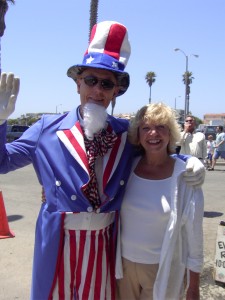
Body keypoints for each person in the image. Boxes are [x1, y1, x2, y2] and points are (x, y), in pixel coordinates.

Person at [0, 21, 205, 300]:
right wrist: (0, 122)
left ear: (115, 92)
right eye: (91, 81)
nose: (97, 91)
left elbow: (155, 150)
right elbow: (3, 162)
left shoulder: (125, 135)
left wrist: (185, 162)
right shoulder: (46, 129)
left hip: (105, 247)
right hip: (58, 244)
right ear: (77, 83)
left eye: (106, 84)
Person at [116, 103, 204, 300]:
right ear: (138, 134)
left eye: (161, 127)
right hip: (123, 268)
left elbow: (194, 237)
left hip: (162, 270)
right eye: (146, 128)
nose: (153, 133)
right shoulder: (127, 168)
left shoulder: (185, 176)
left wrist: (193, 286)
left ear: (171, 132)